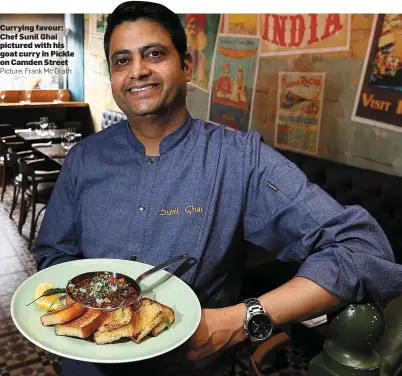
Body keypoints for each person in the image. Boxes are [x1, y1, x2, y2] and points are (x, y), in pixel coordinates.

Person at [34, 1, 402, 375]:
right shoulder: (84, 158)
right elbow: (53, 254)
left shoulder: (240, 159)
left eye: (155, 54)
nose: (138, 71)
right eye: (121, 60)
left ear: (186, 65)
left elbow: (363, 249)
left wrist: (245, 318)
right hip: (89, 366)